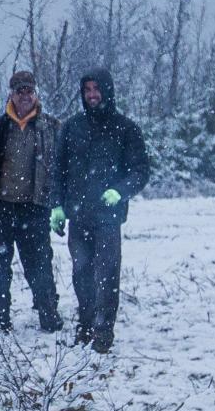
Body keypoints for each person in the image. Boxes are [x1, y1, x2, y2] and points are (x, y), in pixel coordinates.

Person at [50, 66, 153, 352]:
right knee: (81, 271)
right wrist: (56, 206)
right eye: (87, 90)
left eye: (96, 89)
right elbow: (57, 169)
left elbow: (140, 170)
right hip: (78, 214)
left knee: (106, 273)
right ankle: (85, 325)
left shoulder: (126, 128)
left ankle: (103, 330)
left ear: (107, 91)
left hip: (108, 217)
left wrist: (119, 191)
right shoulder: (72, 127)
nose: (92, 95)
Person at [0, 70, 63, 333]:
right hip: (2, 207)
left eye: (29, 90)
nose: (25, 96)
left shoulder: (51, 127)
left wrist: (62, 202)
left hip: (36, 208)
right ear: (12, 94)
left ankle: (48, 314)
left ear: (35, 93)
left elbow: (64, 168)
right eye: (20, 91)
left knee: (39, 264)